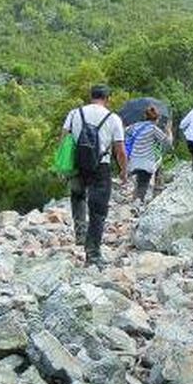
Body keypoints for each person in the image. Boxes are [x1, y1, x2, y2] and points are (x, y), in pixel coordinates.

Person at [61, 84, 127, 266]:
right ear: (107, 99)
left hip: (77, 164)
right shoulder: (113, 118)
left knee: (78, 196)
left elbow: (64, 139)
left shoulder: (74, 113)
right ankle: (93, 253)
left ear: (91, 96)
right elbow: (120, 150)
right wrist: (123, 171)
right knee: (98, 210)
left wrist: (64, 165)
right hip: (101, 166)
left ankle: (80, 233)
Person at [125, 105, 172, 206]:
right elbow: (168, 143)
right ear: (157, 119)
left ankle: (134, 201)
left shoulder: (135, 126)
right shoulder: (153, 129)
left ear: (145, 116)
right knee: (143, 184)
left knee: (138, 182)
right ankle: (137, 203)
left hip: (133, 161)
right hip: (146, 162)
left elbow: (124, 131)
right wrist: (169, 131)